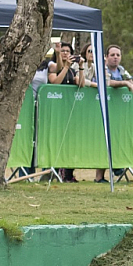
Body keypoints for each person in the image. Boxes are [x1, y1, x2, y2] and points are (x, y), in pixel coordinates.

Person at [48, 42, 85, 182]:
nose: (65, 53)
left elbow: (81, 84)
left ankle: (68, 173)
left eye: (67, 51)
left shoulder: (72, 70)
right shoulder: (53, 66)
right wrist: (66, 67)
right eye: (62, 50)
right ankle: (54, 172)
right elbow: (55, 82)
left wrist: (80, 67)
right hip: (55, 109)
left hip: (68, 110)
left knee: (70, 141)